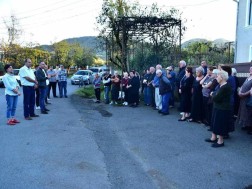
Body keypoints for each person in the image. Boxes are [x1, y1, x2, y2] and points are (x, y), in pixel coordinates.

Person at [205, 70, 233, 148]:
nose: (216, 77)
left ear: (222, 77)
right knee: (214, 122)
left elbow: (216, 97)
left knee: (219, 124)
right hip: (217, 107)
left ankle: (220, 141)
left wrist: (213, 94)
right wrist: (214, 94)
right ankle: (213, 138)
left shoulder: (225, 87)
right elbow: (215, 94)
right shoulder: (220, 85)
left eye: (218, 76)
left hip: (222, 108)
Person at [236, 66, 252, 133]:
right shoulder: (248, 77)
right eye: (250, 69)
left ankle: (249, 126)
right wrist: (240, 92)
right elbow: (242, 86)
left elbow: (251, 90)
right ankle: (244, 124)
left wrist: (244, 94)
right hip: (242, 97)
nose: (250, 70)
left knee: (248, 112)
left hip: (248, 98)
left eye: (251, 69)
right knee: (242, 110)